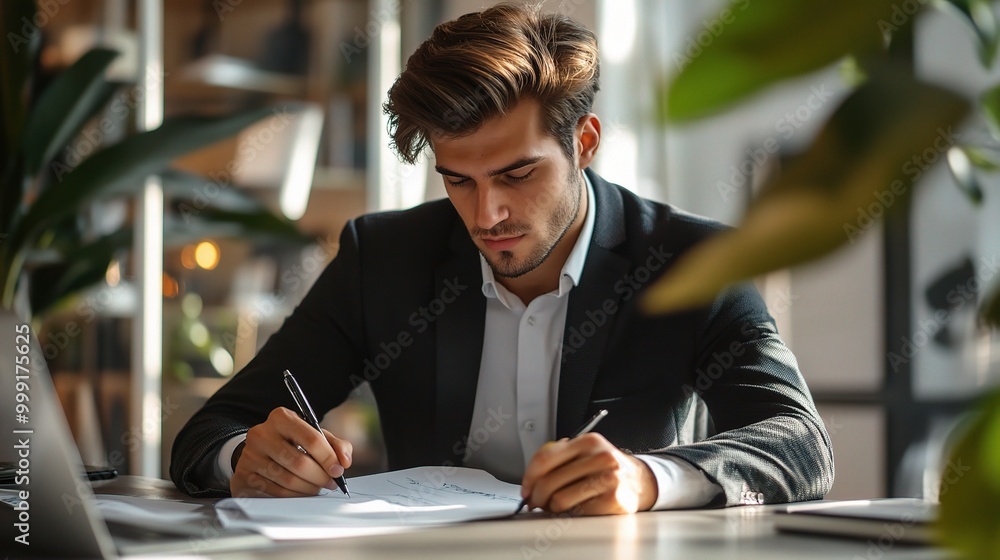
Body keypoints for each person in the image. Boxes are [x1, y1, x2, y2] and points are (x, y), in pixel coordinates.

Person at [170, 2, 833, 515]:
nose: (486, 215)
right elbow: (211, 430)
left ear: (586, 141)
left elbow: (800, 445)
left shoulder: (695, 260)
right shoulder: (384, 259)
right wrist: (243, 458)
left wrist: (648, 478)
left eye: (517, 174)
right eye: (459, 179)